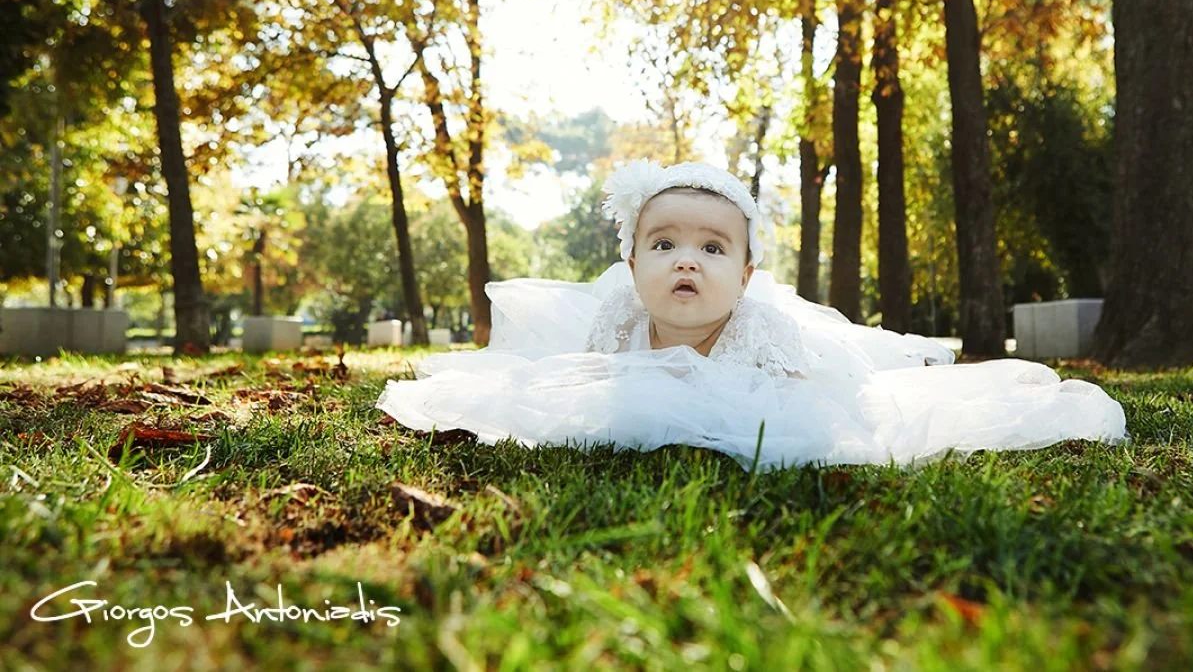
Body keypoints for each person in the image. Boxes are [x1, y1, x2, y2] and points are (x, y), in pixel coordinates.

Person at [376, 160, 1127, 468]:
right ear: (632, 264)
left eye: (712, 248)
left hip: (774, 384)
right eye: (663, 244)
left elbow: (818, 406)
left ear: (745, 275)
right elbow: (583, 383)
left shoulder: (763, 332)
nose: (686, 261)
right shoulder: (615, 320)